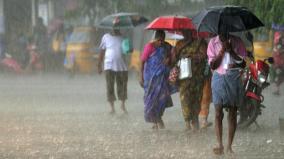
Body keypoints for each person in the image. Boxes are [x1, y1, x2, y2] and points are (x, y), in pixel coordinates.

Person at [207, 32, 246, 155]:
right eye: (221, 28)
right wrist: (222, 51)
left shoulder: (237, 41)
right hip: (218, 78)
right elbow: (213, 65)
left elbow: (243, 63)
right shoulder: (213, 43)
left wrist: (232, 52)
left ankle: (229, 146)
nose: (223, 30)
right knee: (218, 112)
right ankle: (220, 145)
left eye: (226, 28)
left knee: (233, 112)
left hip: (233, 78)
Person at [172, 29, 207, 131]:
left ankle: (195, 123)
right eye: (184, 31)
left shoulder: (200, 42)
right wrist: (175, 53)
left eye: (187, 31)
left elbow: (204, 56)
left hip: (197, 78)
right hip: (184, 78)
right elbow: (174, 60)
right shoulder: (179, 44)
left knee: (196, 100)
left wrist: (191, 56)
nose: (185, 33)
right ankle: (187, 124)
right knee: (185, 99)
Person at [140, 30, 176, 129]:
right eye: (159, 40)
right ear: (155, 38)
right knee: (151, 100)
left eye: (163, 40)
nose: (161, 42)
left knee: (162, 99)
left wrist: (169, 58)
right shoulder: (149, 47)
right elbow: (142, 62)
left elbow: (172, 60)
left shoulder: (167, 47)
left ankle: (158, 118)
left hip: (162, 78)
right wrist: (141, 77)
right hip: (150, 79)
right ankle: (155, 123)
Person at [97, 29, 128, 114]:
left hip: (122, 66)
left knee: (122, 86)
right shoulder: (106, 37)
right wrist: (99, 65)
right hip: (108, 65)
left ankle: (122, 105)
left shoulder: (124, 37)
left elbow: (128, 51)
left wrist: (128, 47)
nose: (115, 29)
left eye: (117, 27)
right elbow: (102, 51)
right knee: (110, 86)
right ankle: (112, 108)